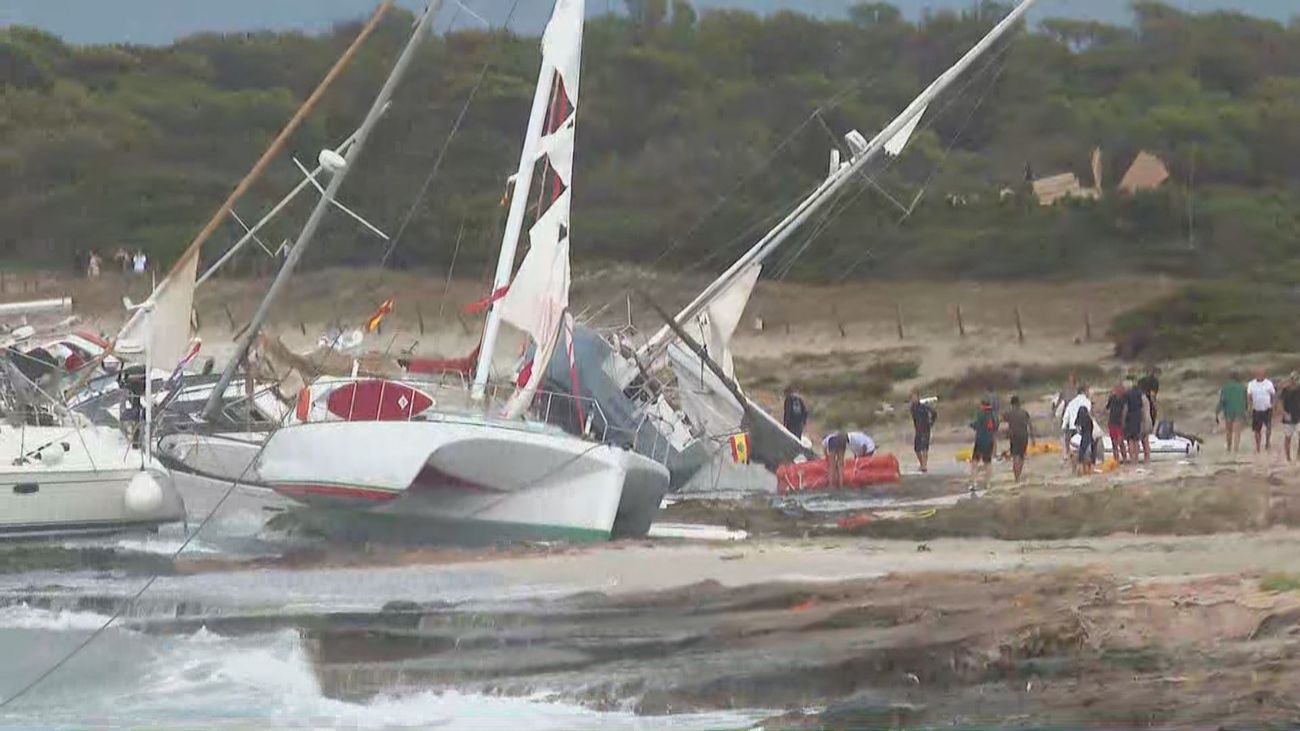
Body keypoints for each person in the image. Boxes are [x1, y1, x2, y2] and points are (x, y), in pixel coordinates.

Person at [1001, 395, 1035, 482]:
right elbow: (1030, 425)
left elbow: (1000, 421)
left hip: (1014, 436)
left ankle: (1016, 478)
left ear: (1011, 404)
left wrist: (1004, 433)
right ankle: (1019, 474)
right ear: (1019, 403)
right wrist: (1033, 439)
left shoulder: (1008, 413)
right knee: (1022, 456)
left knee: (1015, 456)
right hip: (1024, 435)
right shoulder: (1024, 412)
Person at [1216, 371, 1248, 453]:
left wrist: (1217, 411)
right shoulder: (1243, 387)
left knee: (1228, 431)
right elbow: (1246, 400)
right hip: (1239, 410)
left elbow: (1222, 401)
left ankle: (1229, 448)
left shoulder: (1225, 388)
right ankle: (1236, 449)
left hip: (1228, 411)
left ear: (1230, 378)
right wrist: (1246, 410)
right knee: (1237, 431)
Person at [1247, 368, 1276, 453]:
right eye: (1258, 374)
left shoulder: (1268, 383)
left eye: (1261, 374)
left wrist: (1273, 405)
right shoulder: (1251, 384)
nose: (1259, 375)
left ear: (1264, 374)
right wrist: (1249, 407)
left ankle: (1267, 442)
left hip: (1267, 408)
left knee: (1269, 427)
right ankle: (1258, 446)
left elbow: (1273, 395)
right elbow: (1249, 396)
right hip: (1256, 409)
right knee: (1257, 430)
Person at [970, 399, 997, 488]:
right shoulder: (993, 414)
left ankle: (974, 483)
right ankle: (988, 483)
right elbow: (996, 426)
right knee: (988, 462)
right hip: (989, 440)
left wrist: (972, 425)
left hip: (980, 440)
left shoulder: (980, 414)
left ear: (982, 405)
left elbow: (975, 425)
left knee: (975, 462)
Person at [909, 392, 937, 473]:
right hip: (918, 430)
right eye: (912, 398)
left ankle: (924, 466)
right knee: (917, 449)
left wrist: (931, 423)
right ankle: (921, 464)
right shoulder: (912, 408)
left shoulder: (924, 407)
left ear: (918, 398)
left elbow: (934, 413)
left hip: (926, 429)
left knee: (924, 447)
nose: (914, 399)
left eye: (915, 397)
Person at [1104, 384, 1129, 464]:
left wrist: (1123, 421)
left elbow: (1125, 409)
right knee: (1114, 443)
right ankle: (1116, 460)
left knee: (1120, 442)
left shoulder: (1124, 398)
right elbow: (1107, 408)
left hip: (1119, 423)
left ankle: (1124, 458)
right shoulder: (1112, 398)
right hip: (1112, 422)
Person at [1123, 380, 1146, 464]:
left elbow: (1126, 408)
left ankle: (1132, 459)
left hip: (1130, 419)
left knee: (1130, 440)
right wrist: (1143, 419)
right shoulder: (1138, 394)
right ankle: (1136, 458)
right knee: (1136, 440)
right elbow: (1142, 407)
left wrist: (1123, 420)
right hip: (1137, 418)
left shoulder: (1127, 395)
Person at [1281, 373, 1300, 462]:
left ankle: (1298, 455)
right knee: (1288, 437)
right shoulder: (1285, 390)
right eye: (1293, 378)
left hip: (1298, 416)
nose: (1295, 381)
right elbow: (1280, 403)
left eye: (1296, 379)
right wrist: (1284, 413)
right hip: (1288, 417)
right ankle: (1288, 458)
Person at [1075, 403, 1096, 474]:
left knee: (1082, 454)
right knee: (1091, 454)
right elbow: (1092, 428)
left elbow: (1078, 429)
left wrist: (1081, 433)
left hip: (1084, 437)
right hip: (1090, 437)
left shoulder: (1079, 420)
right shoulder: (1089, 419)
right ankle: (1091, 470)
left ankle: (1080, 470)